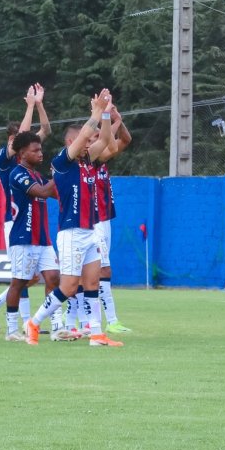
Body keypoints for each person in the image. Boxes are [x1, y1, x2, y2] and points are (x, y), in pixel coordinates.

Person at [23, 90, 123, 347]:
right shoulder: (62, 162)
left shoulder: (88, 161)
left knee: (92, 282)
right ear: (73, 143)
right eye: (86, 142)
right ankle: (34, 323)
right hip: (71, 233)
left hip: (89, 231)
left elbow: (108, 142)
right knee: (68, 288)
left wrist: (105, 116)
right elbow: (83, 140)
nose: (90, 145)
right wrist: (95, 113)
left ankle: (97, 334)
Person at [0, 84, 51, 332]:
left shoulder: (29, 153)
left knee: (30, 276)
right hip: (15, 221)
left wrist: (39, 104)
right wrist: (30, 104)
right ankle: (21, 323)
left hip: (35, 217)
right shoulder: (4, 160)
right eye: (16, 139)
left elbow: (44, 130)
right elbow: (23, 134)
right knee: (23, 277)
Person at [1, 130, 65, 341]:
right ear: (22, 153)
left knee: (54, 278)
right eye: (35, 150)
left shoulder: (38, 175)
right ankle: (11, 330)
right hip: (23, 238)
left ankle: (57, 327)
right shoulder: (17, 173)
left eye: (41, 149)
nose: (40, 153)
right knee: (19, 283)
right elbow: (43, 192)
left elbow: (55, 193)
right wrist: (60, 172)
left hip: (43, 238)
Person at [92, 104, 133, 334]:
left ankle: (75, 319)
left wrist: (117, 117)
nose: (102, 140)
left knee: (93, 272)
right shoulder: (90, 161)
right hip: (93, 222)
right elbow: (110, 138)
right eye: (96, 137)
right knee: (102, 270)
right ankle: (111, 320)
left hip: (105, 220)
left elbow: (126, 139)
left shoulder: (102, 162)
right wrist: (106, 115)